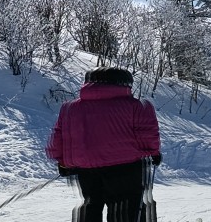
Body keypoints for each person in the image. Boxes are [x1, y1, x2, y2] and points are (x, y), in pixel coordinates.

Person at [47, 68, 162, 222]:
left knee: (90, 205)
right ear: (125, 84)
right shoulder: (138, 106)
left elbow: (60, 137)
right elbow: (147, 135)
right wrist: (153, 153)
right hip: (125, 169)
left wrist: (63, 162)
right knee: (123, 210)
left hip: (86, 170)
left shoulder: (70, 108)